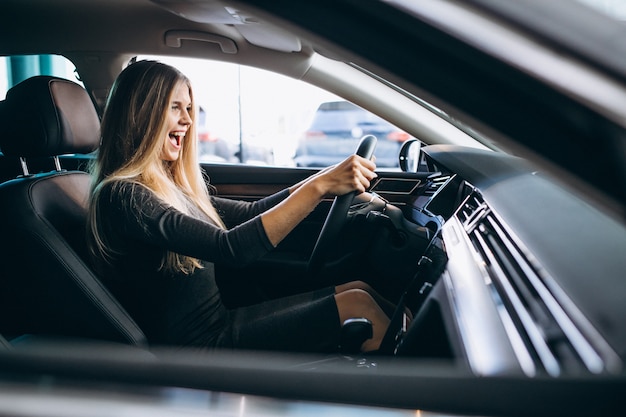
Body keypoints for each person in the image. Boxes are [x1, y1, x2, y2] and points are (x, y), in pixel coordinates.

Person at [86, 60, 391, 353]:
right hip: (198, 349)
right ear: (142, 114)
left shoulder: (169, 187)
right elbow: (231, 249)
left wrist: (327, 177)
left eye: (189, 108)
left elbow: (249, 213)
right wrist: (319, 187)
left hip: (222, 323)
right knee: (359, 308)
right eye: (175, 107)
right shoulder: (124, 196)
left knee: (359, 291)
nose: (188, 120)